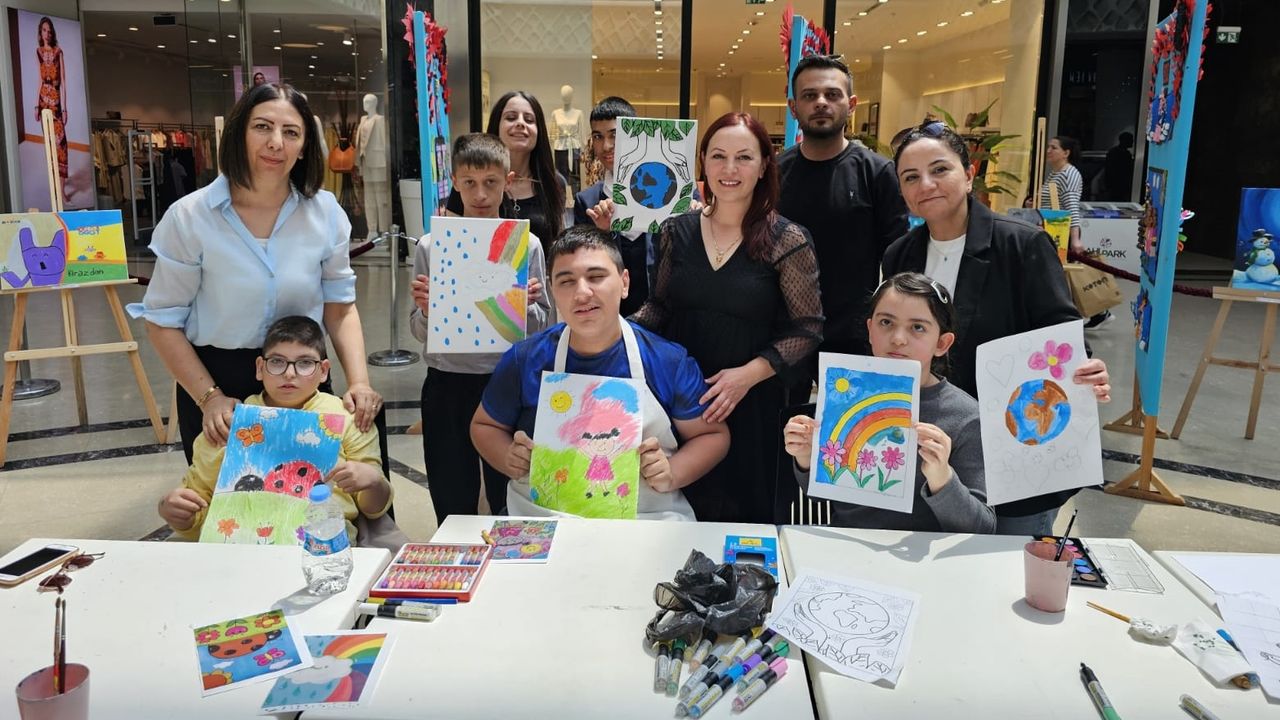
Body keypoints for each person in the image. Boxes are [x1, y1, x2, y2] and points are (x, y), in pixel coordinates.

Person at [127, 82, 385, 468]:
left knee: (315, 497)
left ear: (304, 147)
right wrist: (209, 397)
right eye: (262, 127)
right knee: (231, 500)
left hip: (302, 381)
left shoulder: (325, 212)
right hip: (218, 386)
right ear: (239, 134)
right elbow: (163, 321)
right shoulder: (191, 216)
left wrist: (359, 382)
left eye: (291, 132)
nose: (276, 142)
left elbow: (340, 308)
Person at [882, 120, 1111, 535]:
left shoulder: (1022, 245)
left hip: (1015, 448)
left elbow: (1060, 338)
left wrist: (1084, 371)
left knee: (1006, 562)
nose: (926, 184)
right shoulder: (900, 255)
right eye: (911, 177)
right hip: (934, 453)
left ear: (969, 175)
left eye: (940, 169)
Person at [632, 112, 823, 524]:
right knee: (677, 507)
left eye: (744, 157)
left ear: (764, 165)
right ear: (702, 161)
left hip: (752, 400)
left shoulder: (787, 239)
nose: (729, 169)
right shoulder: (676, 230)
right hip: (684, 397)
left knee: (747, 514)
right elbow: (660, 306)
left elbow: (808, 328)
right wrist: (618, 331)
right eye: (718, 156)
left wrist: (747, 376)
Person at [470, 226, 730, 521]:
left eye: (596, 277)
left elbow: (712, 435)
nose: (582, 293)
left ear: (624, 283)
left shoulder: (667, 361)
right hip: (543, 518)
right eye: (566, 281)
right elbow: (484, 425)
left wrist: (672, 472)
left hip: (644, 518)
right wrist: (507, 456)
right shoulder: (525, 359)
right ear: (552, 291)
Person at [783, 272, 995, 533]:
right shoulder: (844, 395)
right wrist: (806, 457)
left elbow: (983, 528)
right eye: (886, 322)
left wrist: (943, 478)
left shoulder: (966, 416)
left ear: (942, 343)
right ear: (870, 330)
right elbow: (822, 494)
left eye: (917, 327)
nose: (898, 338)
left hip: (926, 554)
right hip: (846, 544)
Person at [409, 133, 551, 523]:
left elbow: (544, 325)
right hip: (447, 381)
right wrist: (428, 311)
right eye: (469, 182)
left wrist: (527, 307)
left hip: (506, 380)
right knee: (450, 490)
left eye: (491, 182)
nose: (481, 194)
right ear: (454, 181)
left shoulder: (527, 246)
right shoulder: (431, 246)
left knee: (511, 492)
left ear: (508, 180)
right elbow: (418, 329)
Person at [158, 316, 393, 544]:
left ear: (323, 371)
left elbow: (373, 509)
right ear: (260, 368)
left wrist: (373, 482)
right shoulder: (231, 422)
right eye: (277, 362)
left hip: (322, 553)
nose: (289, 373)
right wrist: (176, 511)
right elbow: (198, 510)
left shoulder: (346, 418)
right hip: (236, 552)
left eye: (305, 363)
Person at [777, 54, 909, 392]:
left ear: (851, 105)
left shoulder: (877, 173)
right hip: (784, 332)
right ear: (793, 108)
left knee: (851, 424)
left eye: (832, 94)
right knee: (784, 423)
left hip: (853, 336)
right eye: (810, 95)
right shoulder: (775, 174)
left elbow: (898, 262)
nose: (821, 102)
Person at [574, 96, 701, 316]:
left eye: (614, 135)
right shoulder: (588, 201)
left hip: (668, 315)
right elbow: (581, 267)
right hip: (610, 317)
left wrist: (695, 222)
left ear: (633, 135)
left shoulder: (678, 191)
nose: (606, 146)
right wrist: (603, 233)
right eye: (598, 136)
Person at [446, 91, 566, 253]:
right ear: (497, 124)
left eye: (529, 120)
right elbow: (452, 242)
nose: (520, 123)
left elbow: (558, 242)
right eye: (511, 117)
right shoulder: (468, 178)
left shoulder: (554, 182)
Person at [35, 17, 68, 197]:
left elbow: (63, 81)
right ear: (40, 32)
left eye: (49, 30)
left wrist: (65, 108)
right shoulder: (39, 52)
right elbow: (39, 80)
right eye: (44, 30)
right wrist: (36, 105)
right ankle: (54, 188)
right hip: (43, 102)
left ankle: (62, 191)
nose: (46, 34)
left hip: (56, 103)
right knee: (49, 144)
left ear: (52, 32)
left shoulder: (58, 51)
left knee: (61, 144)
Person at [1104, 131, 1134, 201]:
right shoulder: (1115, 153)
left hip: (1121, 185)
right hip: (1116, 185)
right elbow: (1109, 170)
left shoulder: (1127, 154)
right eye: (1130, 140)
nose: (1132, 142)